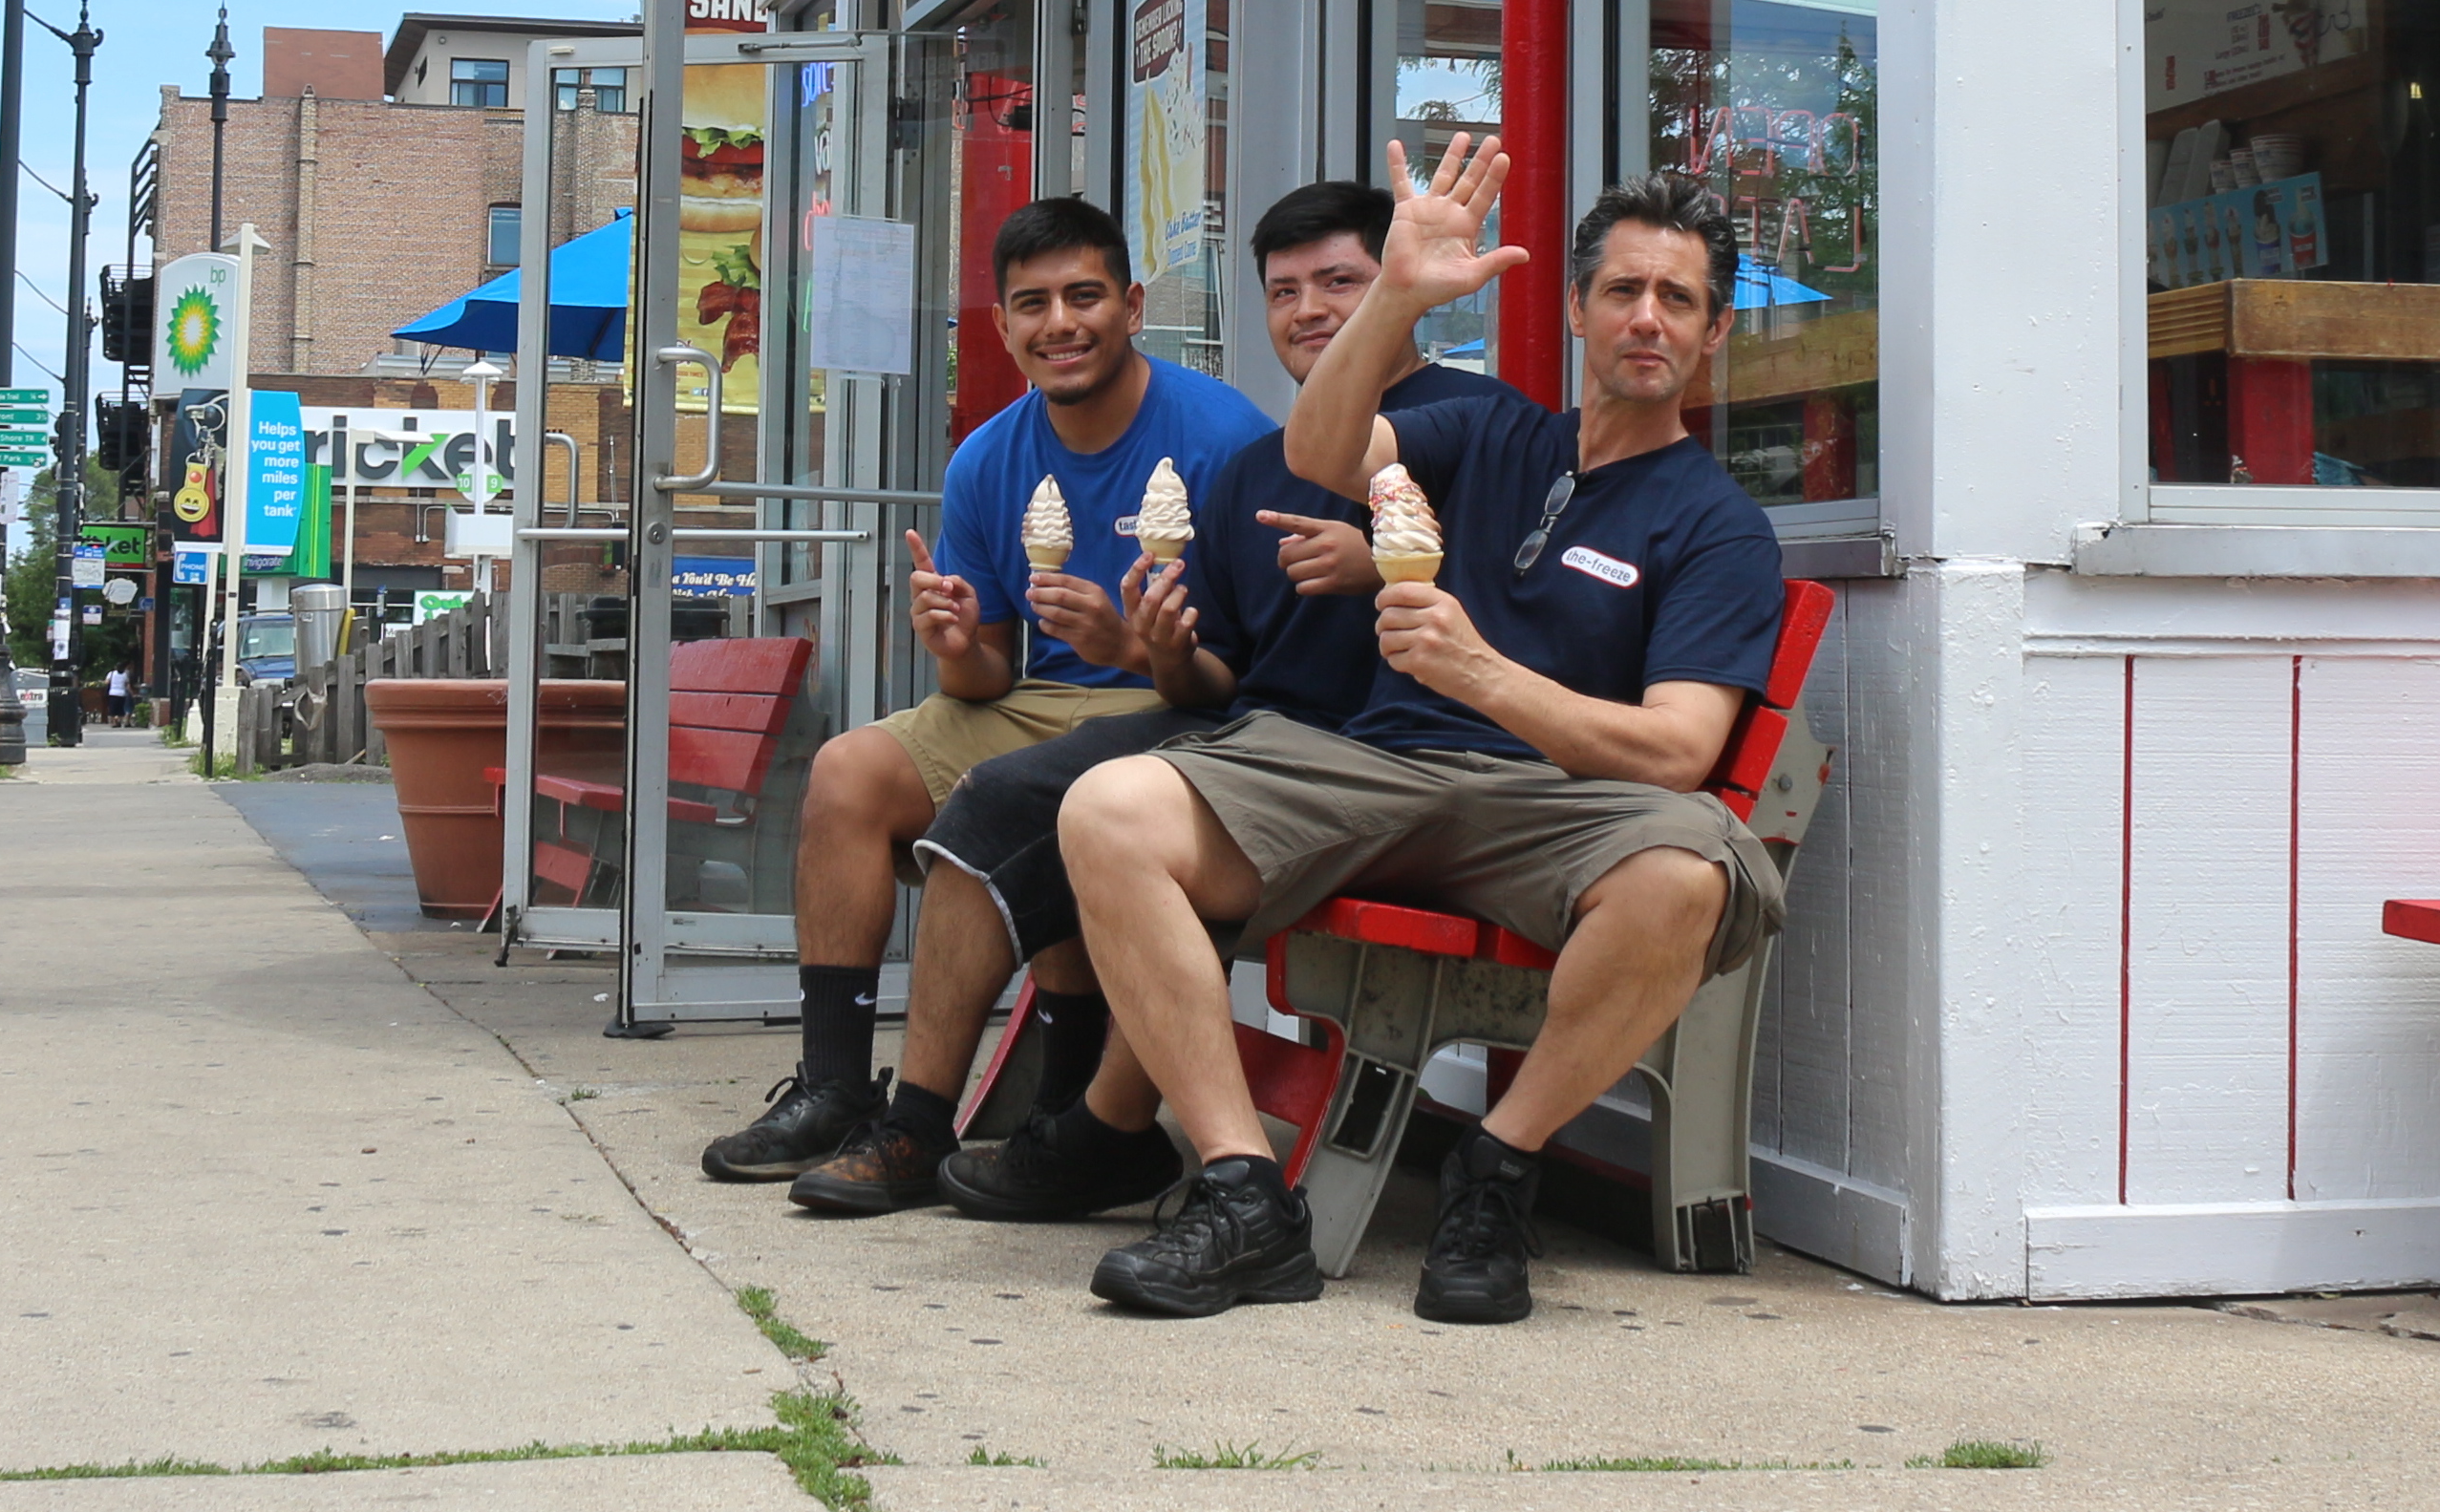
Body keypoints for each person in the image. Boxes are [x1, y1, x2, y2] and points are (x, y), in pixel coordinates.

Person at [1059, 143, 1786, 1324]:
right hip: (1371, 765)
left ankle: (1493, 1172)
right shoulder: (1490, 436)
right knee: (1108, 810)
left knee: (1686, 873)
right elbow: (1319, 455)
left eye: (1678, 300)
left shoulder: (1714, 525)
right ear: (1575, 309)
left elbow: (1674, 753)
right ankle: (1245, 1196)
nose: (1645, 318)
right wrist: (1391, 290)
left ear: (1710, 337)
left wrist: (1483, 674)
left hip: (1551, 806)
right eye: (1622, 290)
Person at [779, 179, 1537, 1217]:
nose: (1309, 309)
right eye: (1284, 291)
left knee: (1098, 811)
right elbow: (1218, 674)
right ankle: (912, 1115)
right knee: (994, 802)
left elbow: (1534, 612)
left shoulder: (1477, 427)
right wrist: (1158, 651)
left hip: (1383, 758)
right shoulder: (1258, 459)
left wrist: (1393, 569)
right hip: (1250, 729)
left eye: (1340, 283)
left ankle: (1099, 1127)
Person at [697, 196, 1269, 1181]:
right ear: (1001, 326)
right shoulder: (988, 457)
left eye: (1084, 296)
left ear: (1131, 305)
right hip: (1041, 700)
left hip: (1183, 708)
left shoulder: (1222, 438)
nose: (1061, 323)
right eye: (1031, 303)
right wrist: (953, 641)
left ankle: (991, 1113)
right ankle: (835, 1085)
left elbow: (1259, 667)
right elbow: (988, 676)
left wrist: (1137, 646)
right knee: (847, 770)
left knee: (995, 802)